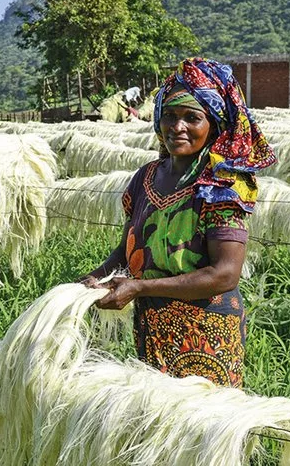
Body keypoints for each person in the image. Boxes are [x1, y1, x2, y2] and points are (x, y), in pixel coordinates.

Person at [79, 58, 276, 388]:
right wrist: (97, 277)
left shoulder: (221, 185)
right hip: (151, 324)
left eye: (192, 118)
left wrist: (139, 286)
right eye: (169, 115)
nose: (178, 126)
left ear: (212, 123)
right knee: (159, 422)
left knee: (204, 428)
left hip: (206, 332)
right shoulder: (146, 178)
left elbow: (225, 274)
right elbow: (130, 247)